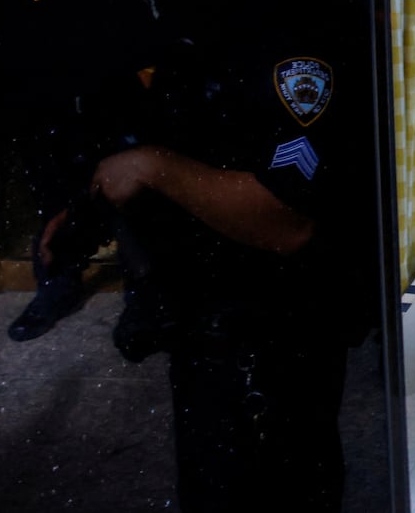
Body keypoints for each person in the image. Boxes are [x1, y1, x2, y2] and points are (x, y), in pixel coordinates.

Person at [81, 27, 375, 510]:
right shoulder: (197, 38)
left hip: (270, 337)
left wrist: (153, 167)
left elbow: (285, 218)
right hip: (206, 327)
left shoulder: (289, 49)